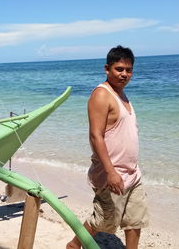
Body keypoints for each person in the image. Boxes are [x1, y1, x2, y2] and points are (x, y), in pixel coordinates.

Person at [67, 46, 148, 249]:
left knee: (135, 220)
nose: (124, 74)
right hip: (111, 172)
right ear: (107, 68)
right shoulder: (102, 95)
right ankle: (74, 245)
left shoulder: (122, 95)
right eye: (119, 69)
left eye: (128, 70)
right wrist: (110, 172)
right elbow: (96, 136)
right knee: (104, 220)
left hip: (132, 172)